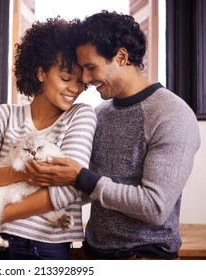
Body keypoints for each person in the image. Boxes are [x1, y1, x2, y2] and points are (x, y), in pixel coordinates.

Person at [24, 10, 201, 260]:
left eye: (90, 67)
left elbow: (155, 207)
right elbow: (86, 188)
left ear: (121, 56)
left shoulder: (172, 115)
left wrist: (80, 178)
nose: (84, 79)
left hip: (143, 261)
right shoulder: (99, 114)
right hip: (91, 253)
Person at [0, 17, 97, 260]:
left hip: (45, 247)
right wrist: (22, 173)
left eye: (81, 82)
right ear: (41, 72)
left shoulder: (81, 116)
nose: (74, 88)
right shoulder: (3, 115)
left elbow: (67, 189)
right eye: (65, 78)